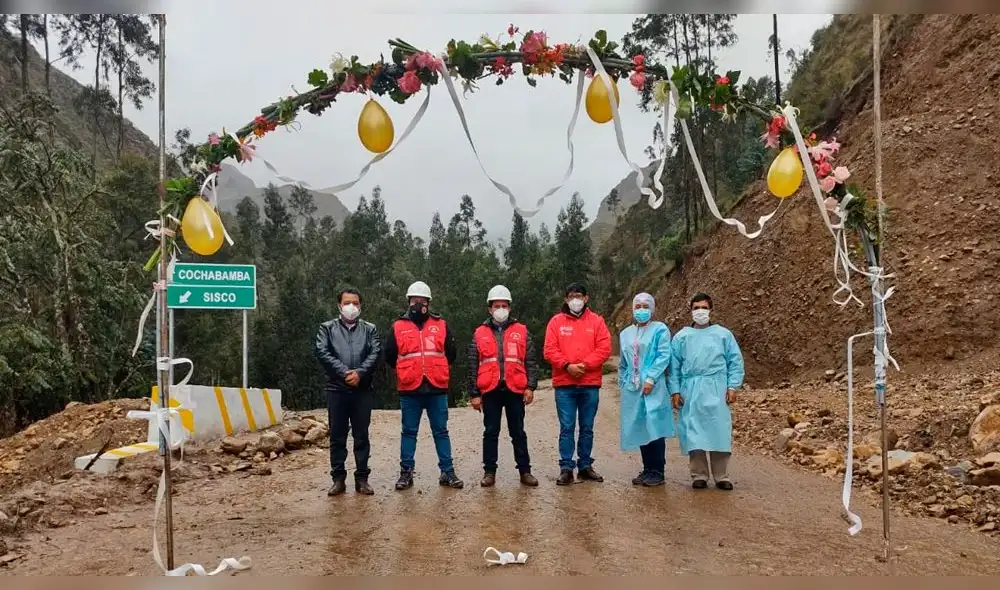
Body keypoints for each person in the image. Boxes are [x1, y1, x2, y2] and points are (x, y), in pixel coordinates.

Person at [384, 280, 464, 490]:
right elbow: (390, 356)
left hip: (436, 387)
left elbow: (451, 354)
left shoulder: (441, 325)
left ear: (429, 302)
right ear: (408, 302)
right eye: (414, 300)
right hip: (410, 388)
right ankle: (406, 473)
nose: (418, 304)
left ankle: (447, 471)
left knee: (441, 431)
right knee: (409, 432)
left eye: (422, 300)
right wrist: (409, 370)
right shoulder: (398, 326)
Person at [668, 292, 745, 491]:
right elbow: (674, 366)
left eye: (704, 307)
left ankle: (721, 476)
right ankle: (699, 474)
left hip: (716, 387)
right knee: (694, 431)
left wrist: (732, 386)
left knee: (718, 430)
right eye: (696, 308)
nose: (700, 311)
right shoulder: (682, 337)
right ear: (690, 311)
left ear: (711, 310)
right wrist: (675, 391)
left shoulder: (723, 335)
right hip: (691, 388)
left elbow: (735, 361)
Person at [468, 285, 540, 488]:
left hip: (515, 389)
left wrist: (530, 387)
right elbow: (473, 364)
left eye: (504, 306)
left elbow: (530, 361)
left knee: (518, 432)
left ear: (509, 307)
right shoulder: (479, 333)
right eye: (496, 306)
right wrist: (474, 393)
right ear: (489, 309)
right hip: (490, 389)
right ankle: (489, 472)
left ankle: (525, 471)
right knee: (491, 432)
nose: (501, 309)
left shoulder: (521, 331)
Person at [314, 287, 382, 496]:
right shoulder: (327, 328)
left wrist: (359, 373)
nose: (351, 307)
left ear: (360, 306)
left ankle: (362, 479)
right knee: (337, 436)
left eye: (355, 303)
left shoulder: (369, 329)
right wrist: (345, 373)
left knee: (361, 436)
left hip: (362, 390)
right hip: (337, 390)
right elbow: (322, 352)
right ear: (339, 305)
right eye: (346, 303)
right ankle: (338, 479)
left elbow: (375, 352)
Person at [543, 282, 612, 486]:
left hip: (589, 383)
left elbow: (604, 348)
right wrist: (567, 366)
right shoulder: (556, 322)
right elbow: (549, 349)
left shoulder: (597, 321)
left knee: (587, 427)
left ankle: (585, 466)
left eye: (579, 296)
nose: (575, 300)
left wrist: (584, 365)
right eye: (571, 296)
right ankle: (566, 468)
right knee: (567, 427)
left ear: (586, 298)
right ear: (566, 299)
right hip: (564, 384)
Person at [618, 292, 675, 487]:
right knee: (641, 426)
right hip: (633, 386)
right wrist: (623, 381)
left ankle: (658, 470)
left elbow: (663, 355)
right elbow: (623, 362)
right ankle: (647, 468)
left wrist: (651, 377)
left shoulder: (659, 329)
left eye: (645, 306)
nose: (641, 310)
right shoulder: (626, 333)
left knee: (655, 426)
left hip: (653, 385)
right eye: (638, 306)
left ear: (652, 309)